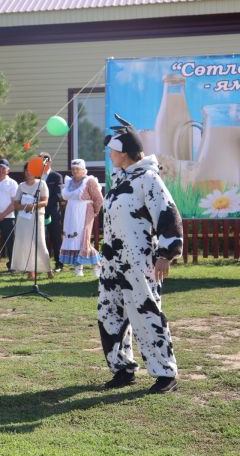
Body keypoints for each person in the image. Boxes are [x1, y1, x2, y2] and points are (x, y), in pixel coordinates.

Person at [99, 114, 183, 394]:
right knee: (110, 313)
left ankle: (165, 373)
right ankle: (122, 369)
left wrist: (165, 253)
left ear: (123, 153)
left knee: (146, 313)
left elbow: (168, 215)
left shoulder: (148, 179)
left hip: (139, 261)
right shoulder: (121, 179)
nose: (109, 155)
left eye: (112, 150)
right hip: (112, 262)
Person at [59, 159, 103, 277]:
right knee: (74, 240)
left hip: (85, 212)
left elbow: (98, 199)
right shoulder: (69, 182)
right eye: (73, 169)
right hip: (71, 213)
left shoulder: (90, 181)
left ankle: (97, 265)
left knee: (84, 240)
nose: (75, 171)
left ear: (83, 170)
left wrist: (95, 212)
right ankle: (78, 267)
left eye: (77, 169)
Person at [10, 162, 53, 279]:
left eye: (30, 171)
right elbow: (15, 204)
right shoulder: (21, 186)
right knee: (25, 243)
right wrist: (24, 207)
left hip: (37, 217)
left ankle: (48, 269)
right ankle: (30, 271)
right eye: (26, 171)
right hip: (23, 219)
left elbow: (45, 202)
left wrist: (33, 205)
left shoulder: (42, 184)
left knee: (40, 243)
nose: (28, 173)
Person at [39, 152, 64, 272]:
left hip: (53, 213)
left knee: (55, 238)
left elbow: (57, 195)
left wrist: (45, 207)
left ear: (49, 162)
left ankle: (59, 263)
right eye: (40, 162)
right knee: (40, 238)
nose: (43, 164)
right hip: (39, 213)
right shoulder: (36, 177)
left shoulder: (56, 176)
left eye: (45, 161)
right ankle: (41, 264)